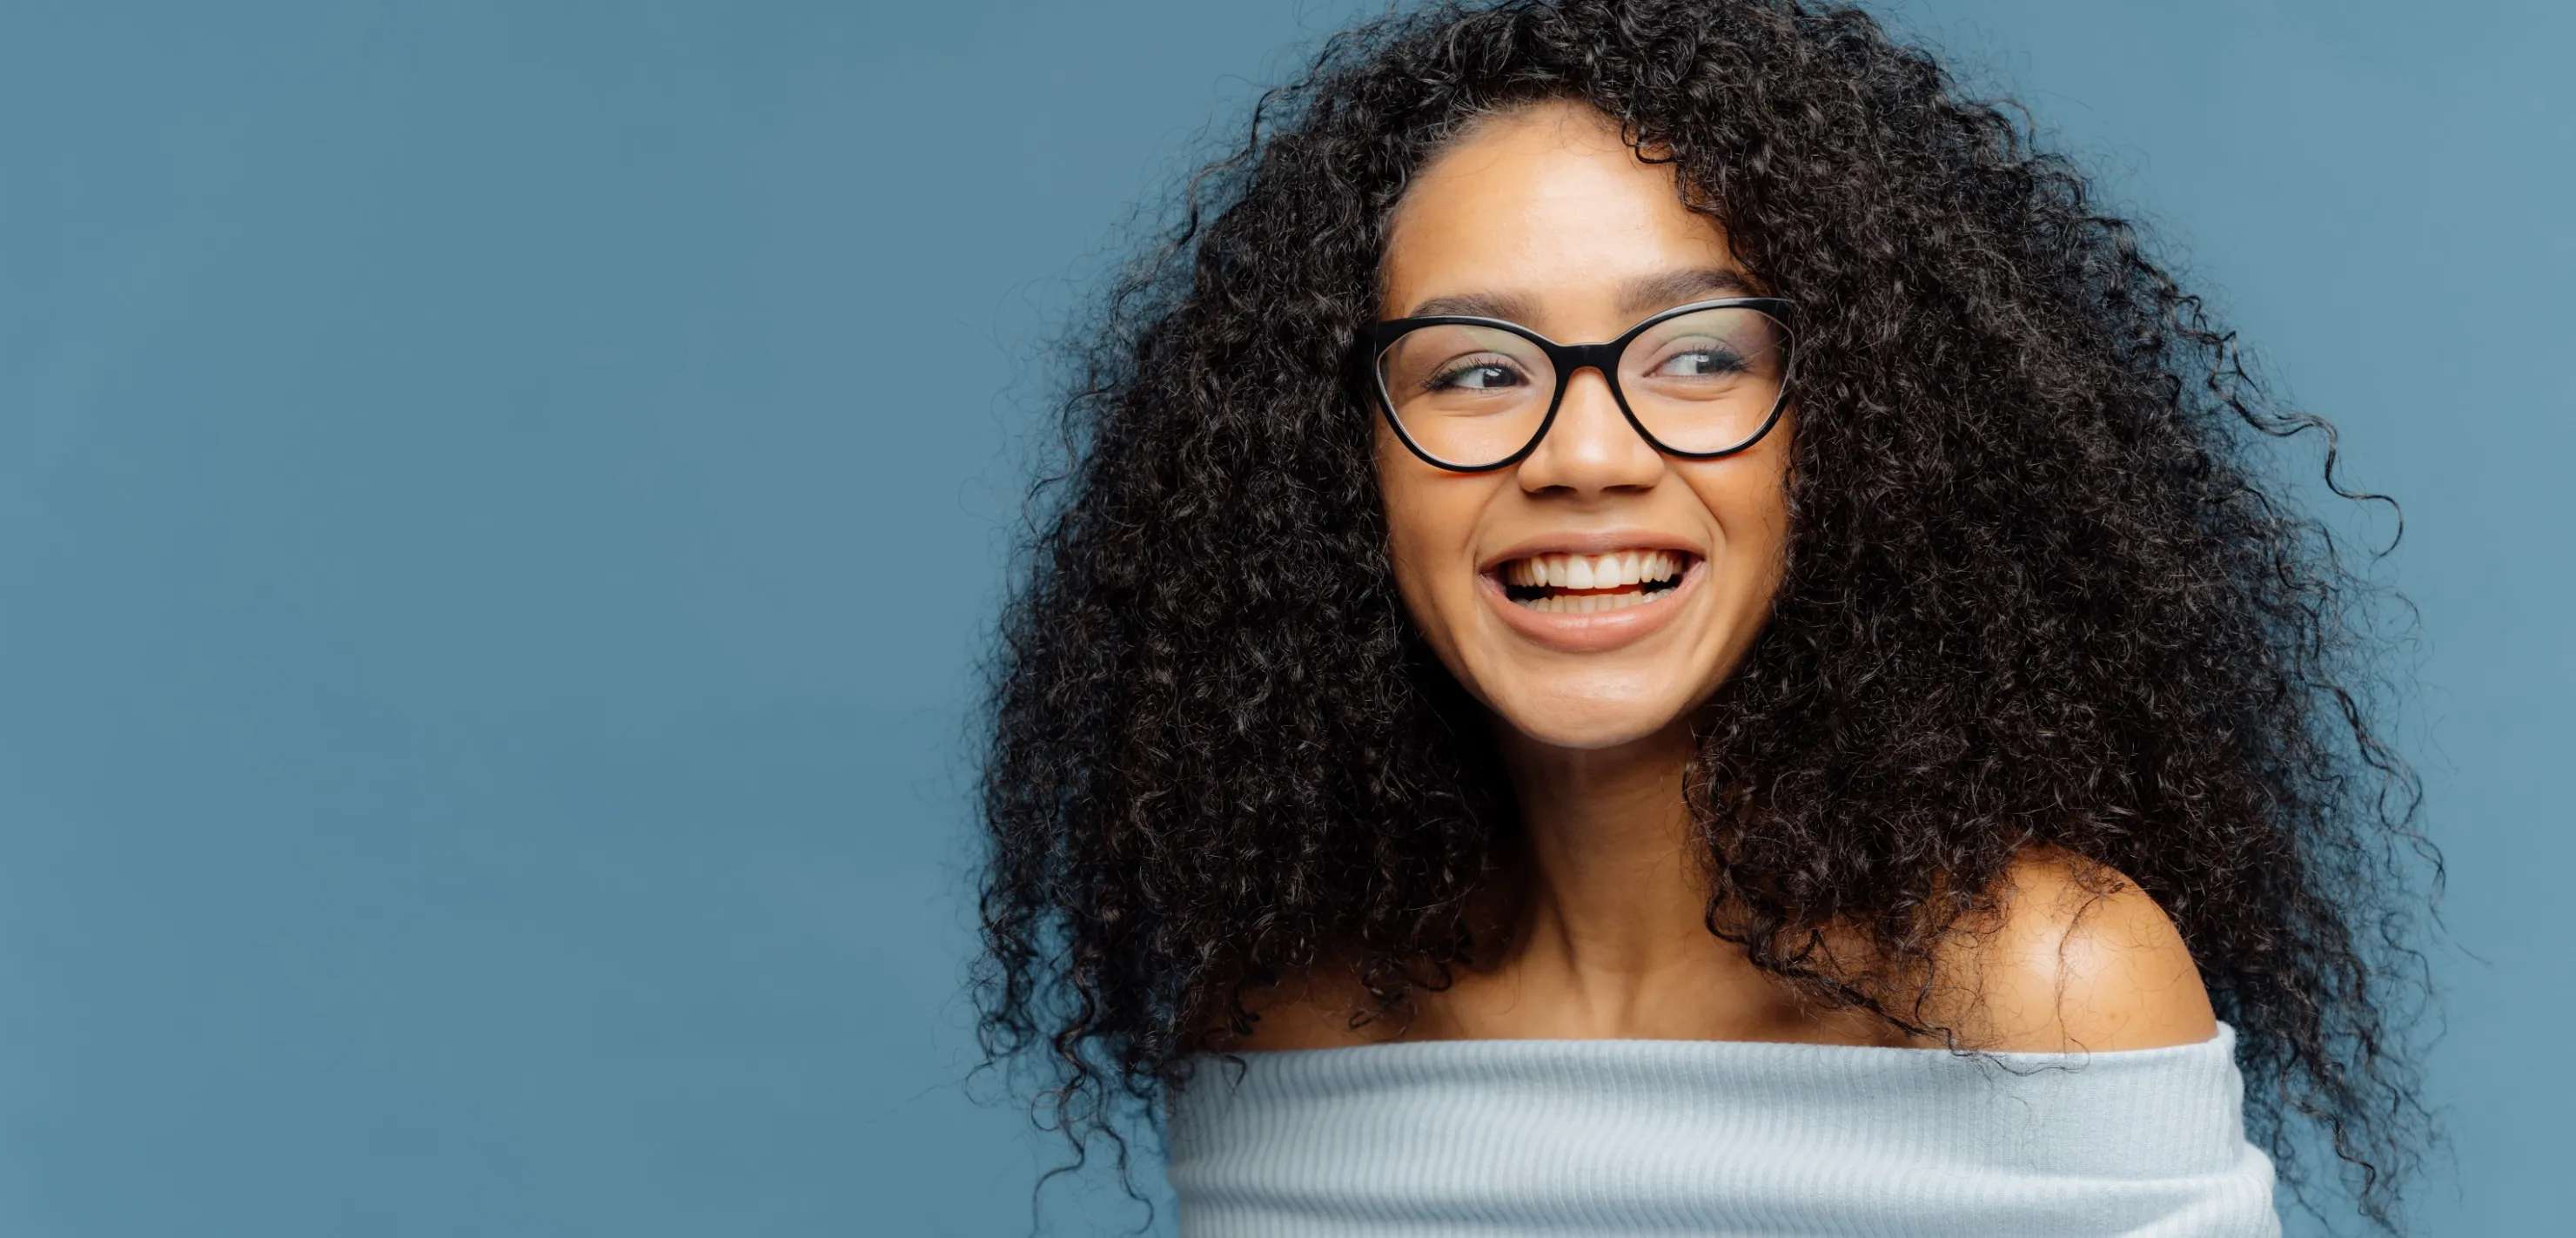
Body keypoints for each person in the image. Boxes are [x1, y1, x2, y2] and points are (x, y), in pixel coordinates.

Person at [978, 2, 2432, 1233]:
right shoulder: (1278, 1022)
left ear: (1856, 435)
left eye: (1699, 357)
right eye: (1475, 371)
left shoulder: (2048, 986)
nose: (1587, 455)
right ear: (1336, 464)